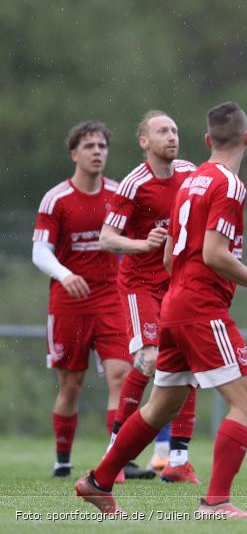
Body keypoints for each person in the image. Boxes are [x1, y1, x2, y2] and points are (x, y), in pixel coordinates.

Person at [75, 102, 247, 518]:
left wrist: (184, 285)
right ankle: (216, 503)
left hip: (174, 302)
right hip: (201, 306)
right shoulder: (229, 185)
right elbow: (216, 255)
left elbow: (170, 255)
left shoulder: (192, 179)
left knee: (161, 405)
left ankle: (98, 481)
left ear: (206, 140)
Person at [99, 111, 199, 483]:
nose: (171, 136)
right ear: (144, 141)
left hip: (178, 285)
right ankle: (116, 449)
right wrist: (142, 244)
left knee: (187, 364)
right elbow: (107, 238)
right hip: (140, 285)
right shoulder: (133, 184)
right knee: (149, 359)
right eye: (162, 131)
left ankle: (177, 461)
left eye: (174, 129)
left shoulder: (191, 174)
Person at [31, 121, 131, 478]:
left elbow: (133, 240)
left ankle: (114, 461)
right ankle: (62, 459)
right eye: (89, 146)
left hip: (111, 298)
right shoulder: (56, 198)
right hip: (69, 302)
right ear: (74, 153)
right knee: (70, 385)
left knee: (121, 374)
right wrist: (65, 274)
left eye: (102, 146)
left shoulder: (119, 194)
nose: (97, 152)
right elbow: (39, 251)